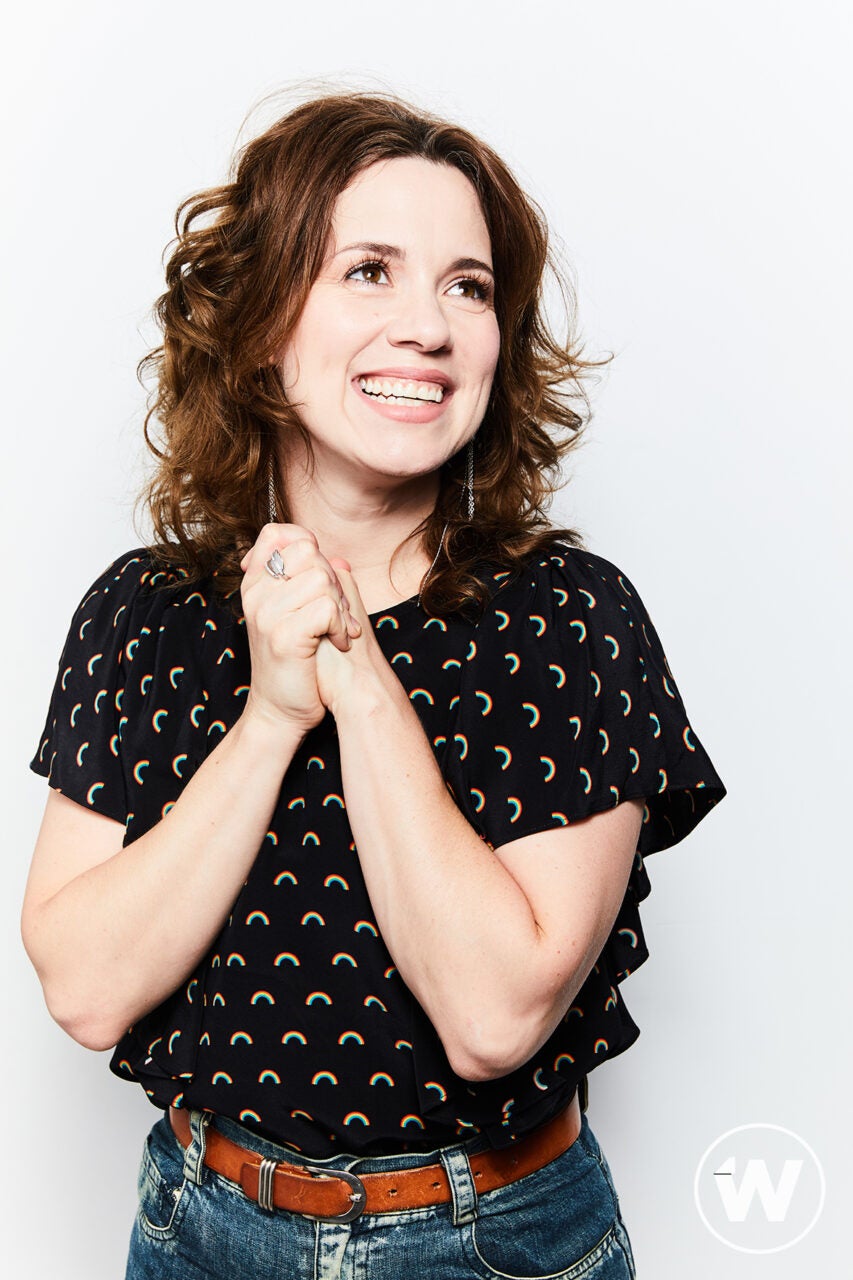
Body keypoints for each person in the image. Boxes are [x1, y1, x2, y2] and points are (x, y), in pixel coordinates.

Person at [22, 89, 726, 1279]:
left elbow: (493, 1018)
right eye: (368, 271)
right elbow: (86, 988)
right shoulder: (145, 612)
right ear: (260, 324)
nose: (429, 327)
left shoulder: (568, 619)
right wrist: (270, 713)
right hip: (197, 1226)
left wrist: (353, 667)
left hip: (490, 1240)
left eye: (468, 286)